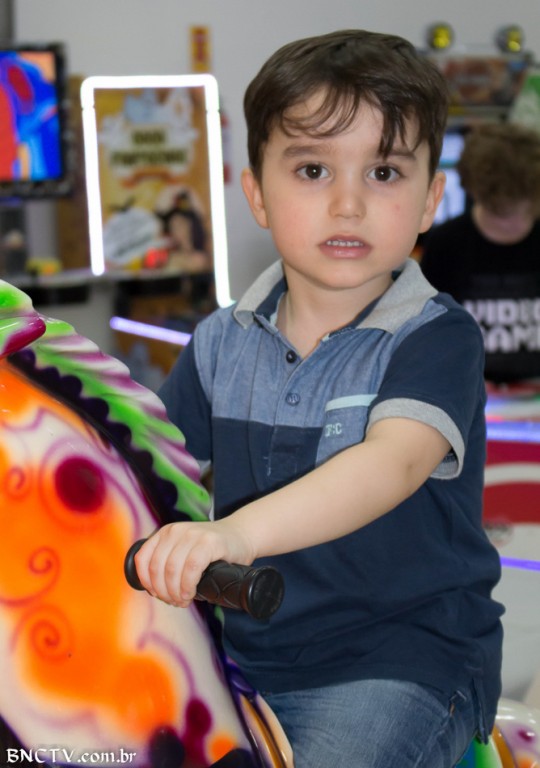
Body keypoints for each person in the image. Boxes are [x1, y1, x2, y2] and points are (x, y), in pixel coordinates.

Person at [134, 29, 504, 768]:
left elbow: (389, 465)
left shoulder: (436, 338)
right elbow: (144, 464)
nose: (348, 203)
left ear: (431, 200)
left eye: (384, 172)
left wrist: (234, 536)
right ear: (257, 195)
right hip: (247, 652)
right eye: (312, 169)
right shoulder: (222, 342)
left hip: (400, 660)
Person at [420, 122, 540, 384]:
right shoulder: (446, 244)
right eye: (500, 212)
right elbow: (431, 331)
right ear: (475, 193)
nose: (511, 225)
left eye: (521, 210)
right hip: (469, 387)